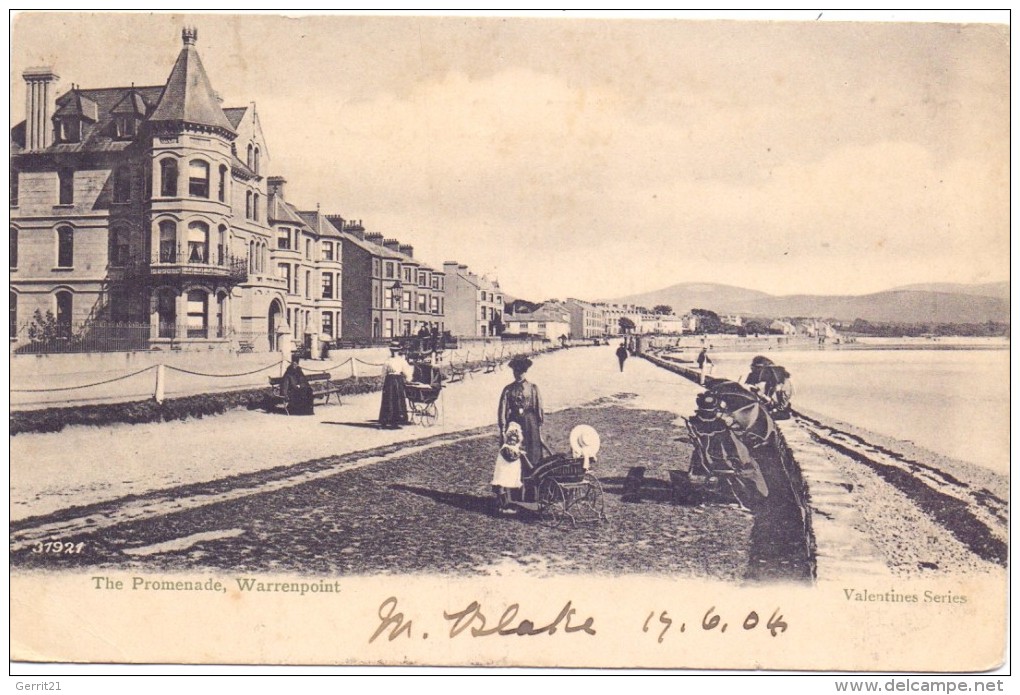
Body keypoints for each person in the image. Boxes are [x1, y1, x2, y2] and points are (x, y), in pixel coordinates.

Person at [498, 355, 545, 471]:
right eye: (515, 371)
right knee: (513, 452)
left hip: (530, 424)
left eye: (520, 371)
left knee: (532, 452)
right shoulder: (508, 389)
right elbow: (502, 409)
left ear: (525, 371)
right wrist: (503, 430)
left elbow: (539, 409)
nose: (518, 374)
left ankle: (532, 480)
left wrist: (539, 432)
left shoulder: (533, 388)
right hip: (514, 424)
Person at [492, 422, 531, 514]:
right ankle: (502, 507)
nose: (512, 442)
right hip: (504, 470)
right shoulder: (506, 448)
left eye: (514, 440)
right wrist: (519, 454)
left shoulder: (514, 447)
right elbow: (511, 457)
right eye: (510, 440)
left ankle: (507, 505)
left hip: (510, 470)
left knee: (508, 486)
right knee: (502, 486)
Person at [378, 341, 413, 429]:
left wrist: (408, 378)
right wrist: (382, 381)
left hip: (398, 381)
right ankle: (386, 420)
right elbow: (384, 372)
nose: (394, 352)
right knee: (388, 399)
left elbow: (407, 370)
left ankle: (396, 421)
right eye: (392, 350)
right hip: (389, 381)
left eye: (396, 350)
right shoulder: (388, 360)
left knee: (397, 399)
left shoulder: (401, 360)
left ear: (398, 351)